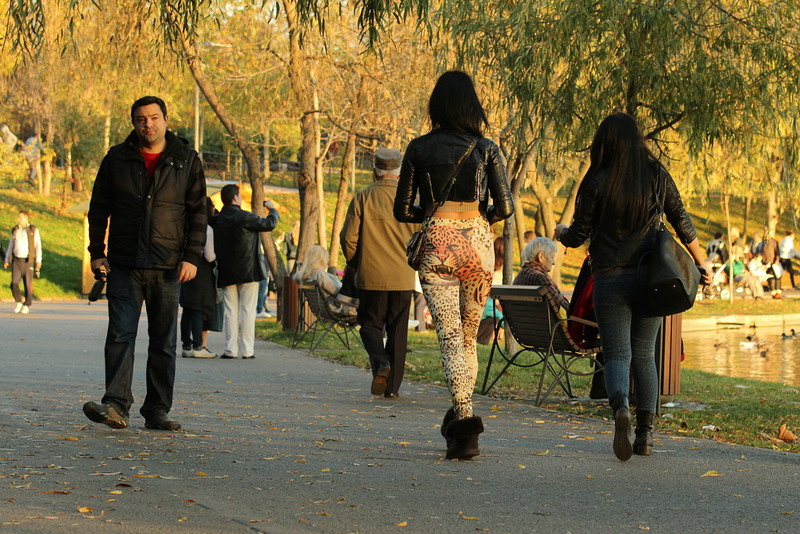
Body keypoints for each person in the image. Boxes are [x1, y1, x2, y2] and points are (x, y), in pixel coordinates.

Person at [554, 112, 708, 461]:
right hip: (652, 279)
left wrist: (561, 233)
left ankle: (621, 407)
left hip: (610, 279)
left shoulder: (596, 179)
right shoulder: (655, 174)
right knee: (644, 355)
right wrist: (702, 263)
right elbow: (680, 218)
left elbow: (578, 235)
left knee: (617, 355)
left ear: (603, 144)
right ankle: (645, 435)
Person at [394, 70, 514, 460]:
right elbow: (505, 207)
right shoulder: (487, 148)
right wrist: (478, 221)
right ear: (472, 106)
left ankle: (465, 419)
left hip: (437, 244)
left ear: (437, 106)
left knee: (448, 337)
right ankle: (463, 424)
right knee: (468, 337)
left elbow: (402, 210)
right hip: (478, 244)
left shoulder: (418, 147)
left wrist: (432, 215)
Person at [83, 96, 207, 431]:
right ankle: (115, 405)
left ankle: (157, 411)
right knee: (120, 335)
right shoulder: (116, 158)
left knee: (163, 341)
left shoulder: (187, 160)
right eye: (141, 119)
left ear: (165, 119)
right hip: (124, 264)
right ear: (133, 123)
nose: (147, 124)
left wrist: (191, 257)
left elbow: (198, 212)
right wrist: (97, 252)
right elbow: (98, 209)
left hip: (168, 266)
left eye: (153, 117)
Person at [341, 148, 419, 398]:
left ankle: (381, 363)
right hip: (403, 276)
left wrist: (358, 262)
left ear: (374, 170)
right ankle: (392, 389)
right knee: (398, 331)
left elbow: (348, 238)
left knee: (369, 325)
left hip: (371, 276)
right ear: (400, 173)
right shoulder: (411, 200)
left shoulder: (363, 198)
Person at [213, 184, 279, 359]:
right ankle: (247, 350)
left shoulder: (218, 219)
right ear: (235, 198)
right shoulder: (245, 217)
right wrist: (272, 210)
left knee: (230, 311)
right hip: (248, 271)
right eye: (240, 196)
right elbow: (269, 224)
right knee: (248, 310)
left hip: (226, 271)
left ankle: (230, 350)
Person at [180, 198, 218, 358]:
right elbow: (209, 256)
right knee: (198, 308)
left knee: (187, 309)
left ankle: (186, 345)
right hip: (201, 271)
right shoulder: (206, 229)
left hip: (184, 267)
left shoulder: (184, 225)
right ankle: (198, 345)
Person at [294, 245, 357, 319]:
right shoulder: (319, 275)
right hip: (337, 307)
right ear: (322, 260)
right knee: (351, 270)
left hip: (325, 308)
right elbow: (336, 291)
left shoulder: (306, 276)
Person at [513, 237, 569, 313]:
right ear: (541, 256)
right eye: (552, 257)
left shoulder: (520, 275)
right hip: (546, 320)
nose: (553, 262)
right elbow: (564, 306)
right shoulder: (540, 278)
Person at [4, 210, 42, 314]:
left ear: (26, 218)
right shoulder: (15, 230)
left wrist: (38, 260)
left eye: (20, 217)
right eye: (18, 217)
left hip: (28, 260)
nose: (18, 219)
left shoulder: (33, 230)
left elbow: (38, 245)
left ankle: (27, 304)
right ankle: (19, 300)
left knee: (27, 284)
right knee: (14, 283)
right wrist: (7, 259)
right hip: (17, 260)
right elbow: (11, 245)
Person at [477, 236, 506, 345]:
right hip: (493, 304)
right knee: (494, 314)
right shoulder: (499, 271)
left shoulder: (487, 266)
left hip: (491, 303)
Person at [761, 231, 783, 299]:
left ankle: (778, 293)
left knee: (777, 277)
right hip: (766, 262)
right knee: (771, 278)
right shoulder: (763, 242)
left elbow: (777, 252)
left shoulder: (774, 242)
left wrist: (777, 260)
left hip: (774, 262)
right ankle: (773, 292)